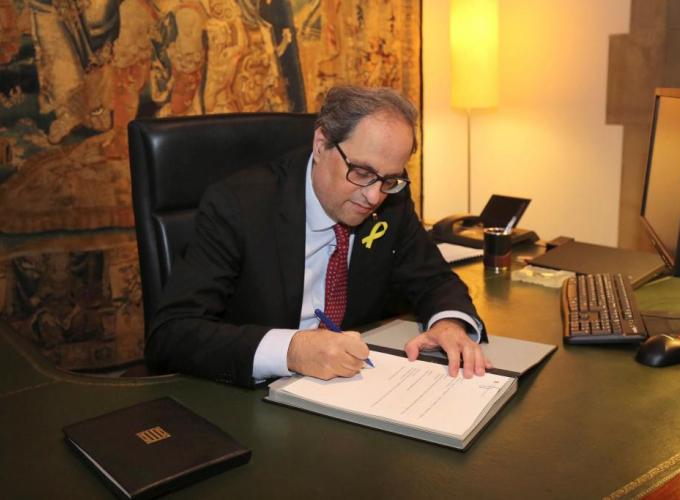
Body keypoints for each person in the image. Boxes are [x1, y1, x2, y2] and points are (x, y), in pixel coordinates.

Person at [146, 85, 491, 388]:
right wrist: (291, 350)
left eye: (389, 179)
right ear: (322, 143)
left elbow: (432, 277)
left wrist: (449, 323)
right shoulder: (237, 206)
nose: (374, 196)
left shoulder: (392, 201)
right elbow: (171, 333)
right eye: (362, 172)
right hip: (250, 398)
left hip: (352, 389)